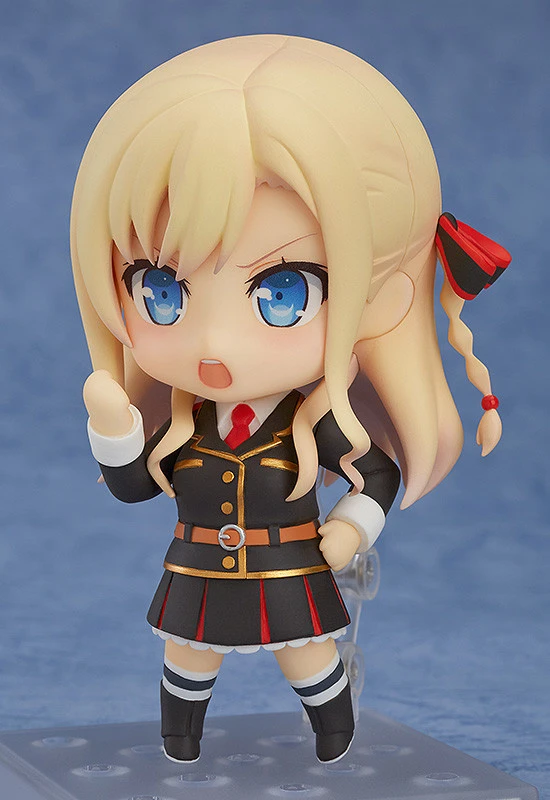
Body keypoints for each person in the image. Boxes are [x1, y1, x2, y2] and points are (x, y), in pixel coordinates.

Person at [70, 34, 509, 765]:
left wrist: (352, 530)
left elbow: (376, 476)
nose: (215, 344)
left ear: (376, 297)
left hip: (289, 570)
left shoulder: (315, 424)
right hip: (198, 569)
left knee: (307, 657)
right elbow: (130, 488)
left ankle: (334, 734)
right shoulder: (183, 424)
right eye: (161, 290)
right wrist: (114, 432)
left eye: (282, 293)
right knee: (187, 658)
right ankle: (180, 742)